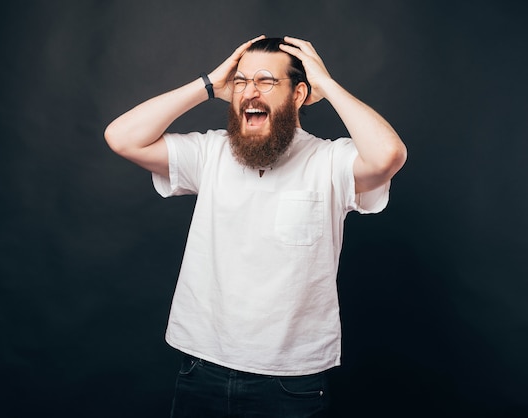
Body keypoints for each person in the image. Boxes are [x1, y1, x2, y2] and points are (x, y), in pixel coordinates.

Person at [104, 35, 407, 417]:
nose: (250, 92)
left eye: (266, 81)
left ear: (298, 94)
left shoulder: (330, 161)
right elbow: (121, 137)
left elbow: (388, 155)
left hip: (290, 380)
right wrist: (209, 85)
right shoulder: (210, 153)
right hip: (201, 367)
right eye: (242, 81)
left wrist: (326, 85)